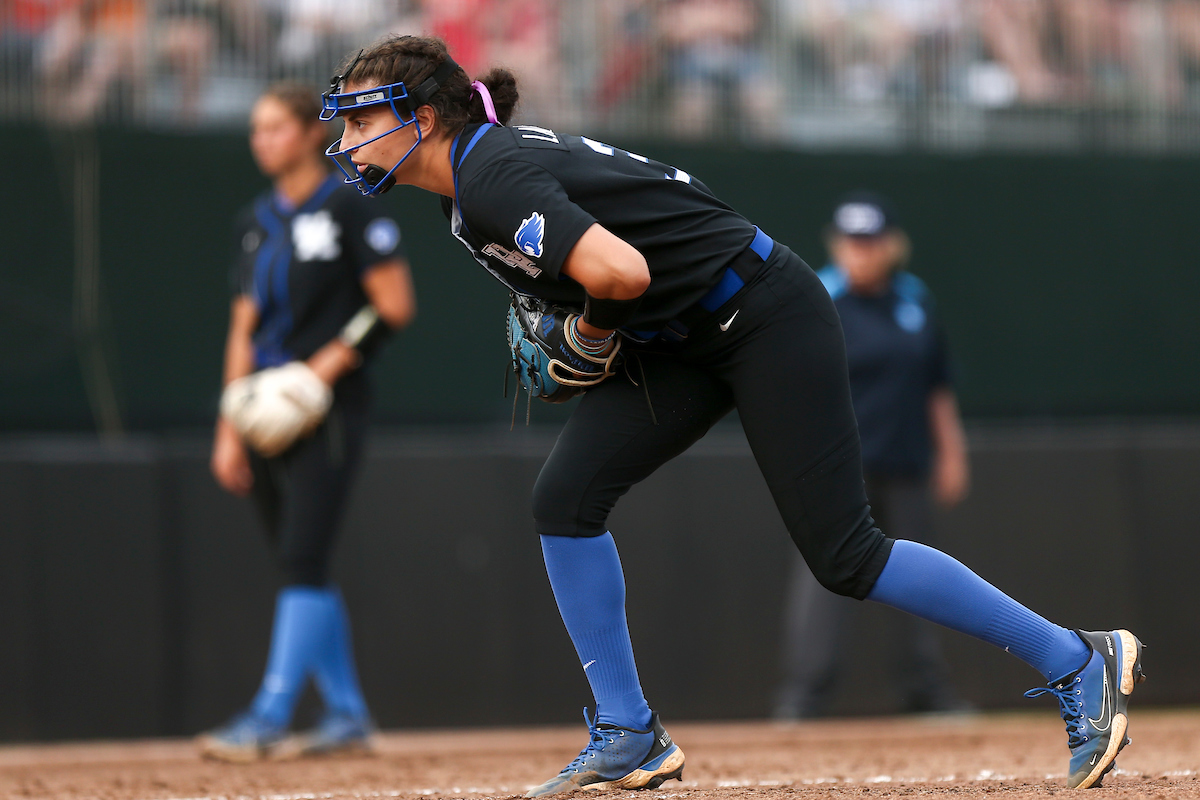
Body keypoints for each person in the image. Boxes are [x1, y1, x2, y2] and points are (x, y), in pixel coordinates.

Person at [320, 34, 1143, 793]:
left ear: (420, 117)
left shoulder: (490, 174)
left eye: (361, 116)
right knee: (564, 501)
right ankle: (628, 731)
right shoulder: (465, 191)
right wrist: (590, 332)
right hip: (687, 335)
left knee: (845, 554)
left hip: (763, 314)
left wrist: (590, 335)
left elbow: (621, 271)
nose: (349, 136)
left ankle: (1076, 660)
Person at [200, 81, 416, 761]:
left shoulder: (351, 205)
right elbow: (243, 326)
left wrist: (320, 369)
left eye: (275, 128)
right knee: (302, 564)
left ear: (309, 133)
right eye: (255, 129)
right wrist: (229, 425)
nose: (262, 140)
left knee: (302, 557)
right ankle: (347, 713)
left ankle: (269, 715)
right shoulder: (255, 218)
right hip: (263, 410)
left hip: (327, 408)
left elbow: (394, 305)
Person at [774, 192, 971, 720]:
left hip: (907, 466)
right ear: (837, 245)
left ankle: (928, 694)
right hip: (840, 472)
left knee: (922, 581)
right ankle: (804, 700)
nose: (861, 252)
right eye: (852, 242)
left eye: (871, 242)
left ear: (890, 246)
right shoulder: (818, 297)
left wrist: (951, 452)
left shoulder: (914, 300)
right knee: (823, 582)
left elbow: (936, 384)